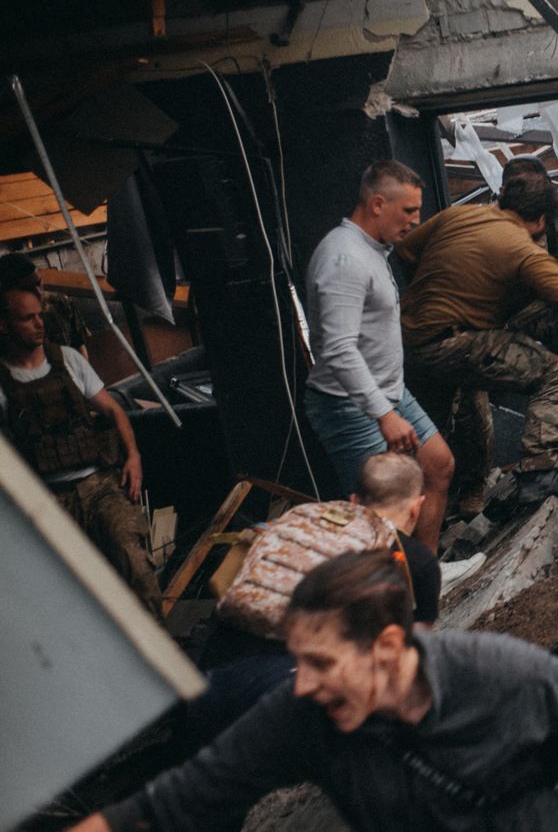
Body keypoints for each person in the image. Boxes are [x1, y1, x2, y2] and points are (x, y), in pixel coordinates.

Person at [72, 553, 558, 832]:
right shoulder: (304, 714)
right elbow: (177, 799)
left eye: (321, 662)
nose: (305, 682)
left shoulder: (502, 673)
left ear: (387, 647)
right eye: (298, 662)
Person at [182, 451, 443, 746]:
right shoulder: (417, 561)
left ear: (354, 500)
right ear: (416, 508)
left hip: (206, 682)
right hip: (278, 700)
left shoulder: (300, 518)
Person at [399, 172, 558, 512]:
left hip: (411, 344)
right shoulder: (519, 246)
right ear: (540, 220)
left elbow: (405, 251)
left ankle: (423, 515)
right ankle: (537, 470)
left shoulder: (458, 215)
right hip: (454, 342)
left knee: (439, 432)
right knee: (556, 375)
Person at [302, 160, 453, 549]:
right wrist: (383, 414)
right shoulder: (344, 259)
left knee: (437, 466)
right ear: (377, 204)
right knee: (381, 516)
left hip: (390, 392)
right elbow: (336, 349)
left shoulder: (373, 249)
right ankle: (391, 597)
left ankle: (426, 575)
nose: (415, 221)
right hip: (349, 407)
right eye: (408, 211)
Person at [0, 286, 163, 616]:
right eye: (26, 318)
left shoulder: (68, 360)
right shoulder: (3, 381)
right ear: (4, 325)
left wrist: (133, 456)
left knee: (135, 562)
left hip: (98, 486)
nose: (38, 323)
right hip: (48, 498)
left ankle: (164, 646)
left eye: (39, 315)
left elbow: (114, 411)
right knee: (69, 592)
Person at [503, 155, 558, 282]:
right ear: (503, 191)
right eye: (522, 190)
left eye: (537, 188)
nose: (531, 195)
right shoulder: (489, 224)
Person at [0, 253, 89, 355]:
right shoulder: (6, 322)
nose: (38, 293)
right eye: (28, 289)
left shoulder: (60, 303)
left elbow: (80, 348)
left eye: (38, 283)